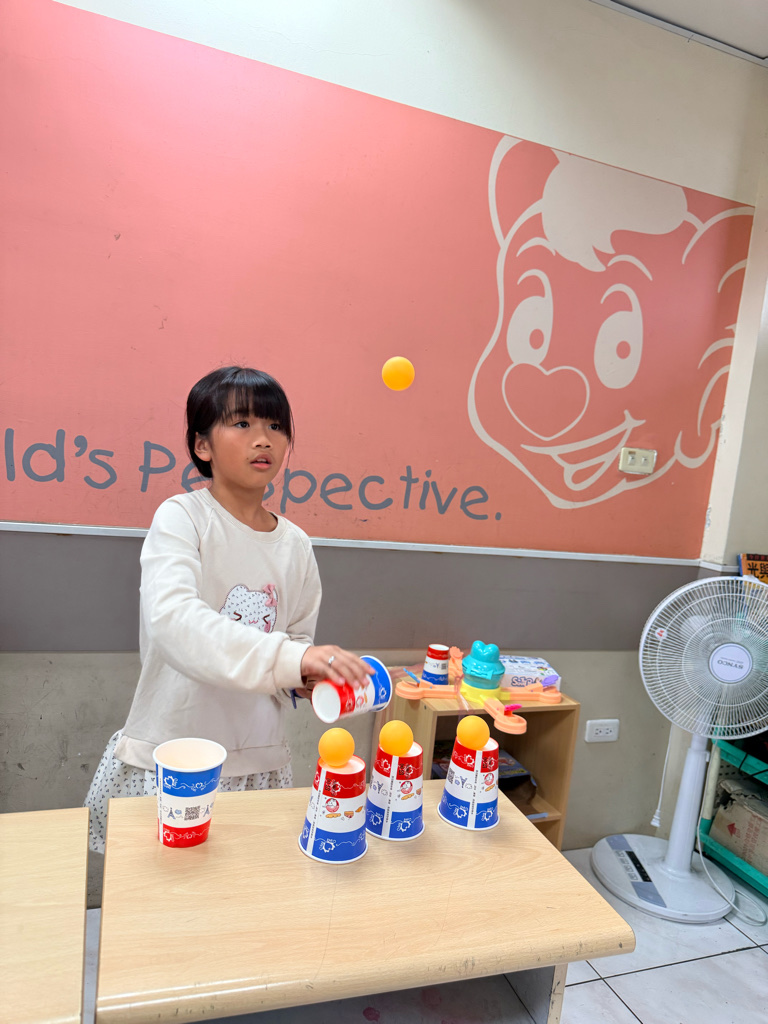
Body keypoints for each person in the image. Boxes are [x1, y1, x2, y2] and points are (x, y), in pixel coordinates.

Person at [84, 365, 371, 853]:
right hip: (173, 756)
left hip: (260, 761)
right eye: (242, 423)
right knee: (159, 891)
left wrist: (305, 678)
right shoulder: (182, 518)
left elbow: (294, 645)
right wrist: (294, 658)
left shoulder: (296, 545)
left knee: (247, 893)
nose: (264, 439)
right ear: (203, 446)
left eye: (276, 426)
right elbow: (175, 622)